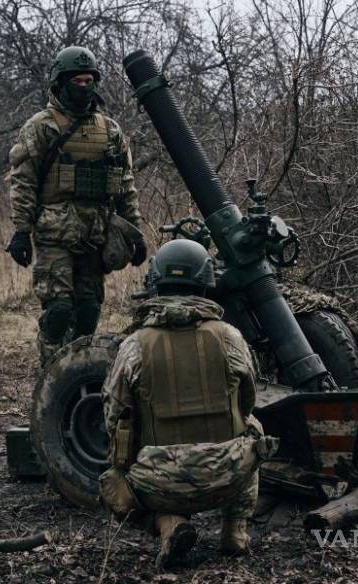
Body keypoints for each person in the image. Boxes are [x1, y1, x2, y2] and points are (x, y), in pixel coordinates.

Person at [99, 239, 278, 570]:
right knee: (254, 428)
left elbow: (113, 413)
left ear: (155, 282)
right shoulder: (230, 337)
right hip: (230, 475)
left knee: (111, 481)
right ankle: (234, 532)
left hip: (158, 484)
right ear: (206, 283)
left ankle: (169, 524)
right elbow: (249, 398)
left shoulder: (134, 345)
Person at [6, 45, 146, 364]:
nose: (84, 87)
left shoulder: (109, 130)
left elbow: (125, 185)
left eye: (88, 81)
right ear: (61, 82)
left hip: (94, 235)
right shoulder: (42, 126)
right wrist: (20, 231)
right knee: (58, 309)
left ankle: (77, 373)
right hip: (54, 233)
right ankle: (51, 371)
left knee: (88, 311)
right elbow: (23, 181)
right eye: (77, 81)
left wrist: (134, 233)